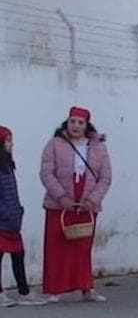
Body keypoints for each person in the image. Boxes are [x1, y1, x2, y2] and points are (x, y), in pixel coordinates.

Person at [38, 106, 112, 302]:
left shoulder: (97, 147)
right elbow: (46, 173)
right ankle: (55, 289)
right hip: (59, 204)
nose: (76, 126)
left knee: (83, 248)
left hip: (86, 204)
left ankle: (86, 287)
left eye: (80, 122)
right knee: (56, 247)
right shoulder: (54, 144)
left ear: (87, 125)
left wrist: (92, 200)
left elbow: (105, 177)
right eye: (72, 121)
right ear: (67, 122)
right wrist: (62, 197)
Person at [0, 126, 47, 307]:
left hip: (12, 222)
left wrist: (18, 210)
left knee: (18, 254)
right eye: (8, 140)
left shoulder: (8, 167)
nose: (12, 144)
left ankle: (24, 292)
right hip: (2, 221)